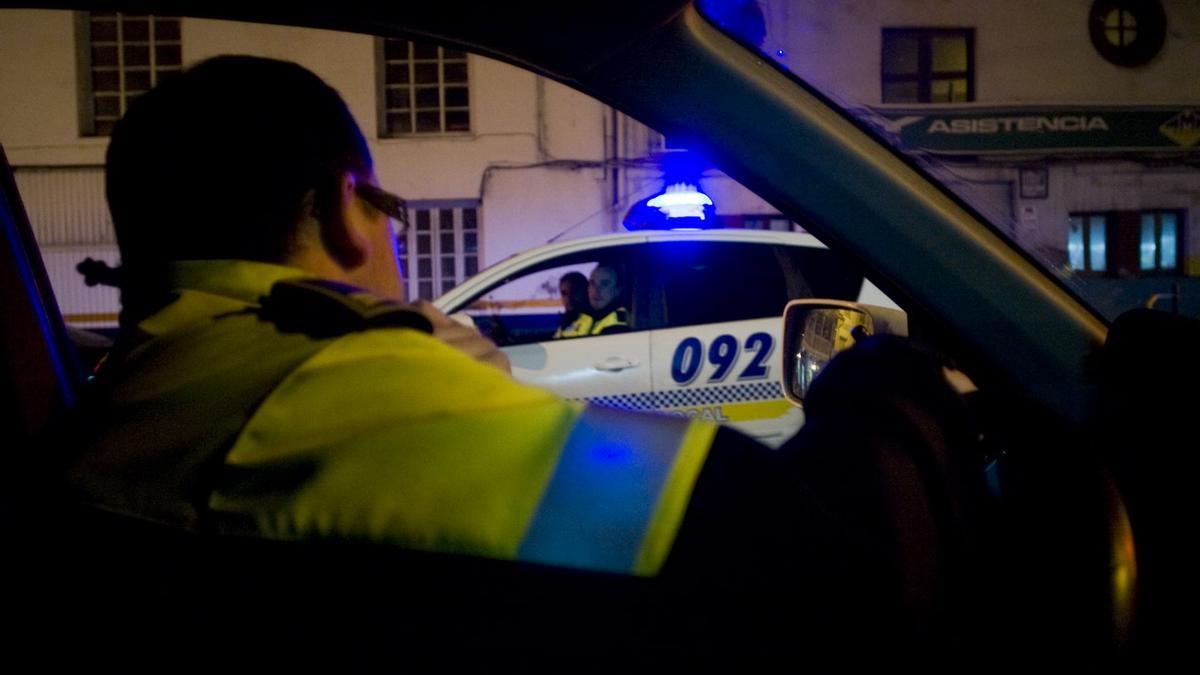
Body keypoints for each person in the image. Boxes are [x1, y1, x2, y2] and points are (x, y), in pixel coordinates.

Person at [47, 54, 921, 663]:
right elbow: (748, 523)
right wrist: (886, 397)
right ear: (348, 209)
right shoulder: (317, 379)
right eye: (389, 208)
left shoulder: (135, 387)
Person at [586, 264, 631, 335]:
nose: (596, 290)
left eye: (604, 284)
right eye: (592, 283)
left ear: (617, 291)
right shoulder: (589, 316)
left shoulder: (617, 325)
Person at [552, 270, 592, 338]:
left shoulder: (590, 320)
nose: (569, 298)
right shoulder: (567, 320)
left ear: (585, 291)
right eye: (564, 293)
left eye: (574, 291)